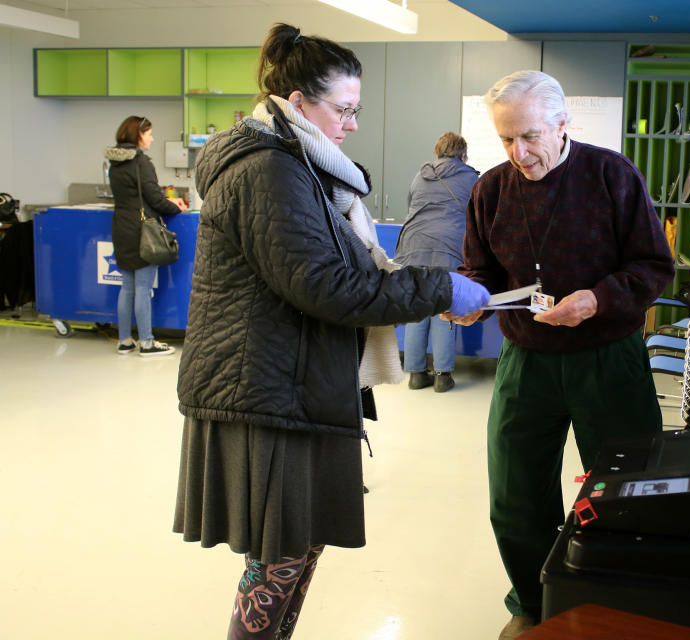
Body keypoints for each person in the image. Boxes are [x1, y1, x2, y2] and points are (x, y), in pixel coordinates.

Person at [172, 24, 489, 640]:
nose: (350, 124)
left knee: (294, 554)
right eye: (342, 110)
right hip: (267, 393)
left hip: (287, 384)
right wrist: (441, 288)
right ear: (296, 104)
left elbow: (339, 270)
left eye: (356, 110)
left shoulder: (298, 165)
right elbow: (328, 287)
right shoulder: (268, 169)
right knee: (279, 561)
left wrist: (423, 287)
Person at [445, 70, 676, 640]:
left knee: (626, 495)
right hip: (527, 360)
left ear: (562, 124)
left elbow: (654, 267)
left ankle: (615, 607)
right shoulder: (491, 189)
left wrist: (597, 300)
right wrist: (472, 298)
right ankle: (533, 602)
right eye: (505, 140)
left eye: (529, 136)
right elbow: (481, 269)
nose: (518, 153)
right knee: (516, 494)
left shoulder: (610, 174)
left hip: (608, 357)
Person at [395, 132, 479, 393]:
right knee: (445, 309)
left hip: (413, 248)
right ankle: (443, 376)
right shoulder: (472, 178)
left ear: (438, 153)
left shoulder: (421, 175)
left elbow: (410, 208)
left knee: (417, 310)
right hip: (449, 250)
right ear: (463, 155)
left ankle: (416, 375)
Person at [104, 115, 187, 356]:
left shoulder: (115, 163)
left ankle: (124, 340)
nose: (152, 138)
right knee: (142, 288)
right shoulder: (141, 162)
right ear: (138, 135)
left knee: (127, 287)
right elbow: (154, 199)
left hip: (121, 226)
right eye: (149, 133)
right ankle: (147, 342)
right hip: (142, 230)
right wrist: (177, 207)